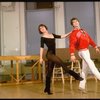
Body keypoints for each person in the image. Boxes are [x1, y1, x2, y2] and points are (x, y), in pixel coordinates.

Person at [38, 24, 83, 95]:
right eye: (40, 28)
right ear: (40, 31)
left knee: (49, 72)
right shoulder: (43, 37)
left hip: (53, 55)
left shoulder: (52, 35)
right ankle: (76, 76)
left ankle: (47, 89)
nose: (42, 28)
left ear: (45, 27)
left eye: (43, 27)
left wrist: (71, 32)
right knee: (63, 64)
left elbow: (62, 36)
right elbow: (41, 48)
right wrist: (40, 57)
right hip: (49, 55)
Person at [69, 17, 100, 93]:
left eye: (76, 21)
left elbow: (89, 39)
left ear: (78, 22)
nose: (75, 23)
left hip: (87, 51)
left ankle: (81, 86)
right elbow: (72, 44)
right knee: (92, 65)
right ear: (72, 24)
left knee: (84, 70)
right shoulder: (73, 33)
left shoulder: (83, 31)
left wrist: (95, 46)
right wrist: (72, 54)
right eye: (74, 22)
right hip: (82, 52)